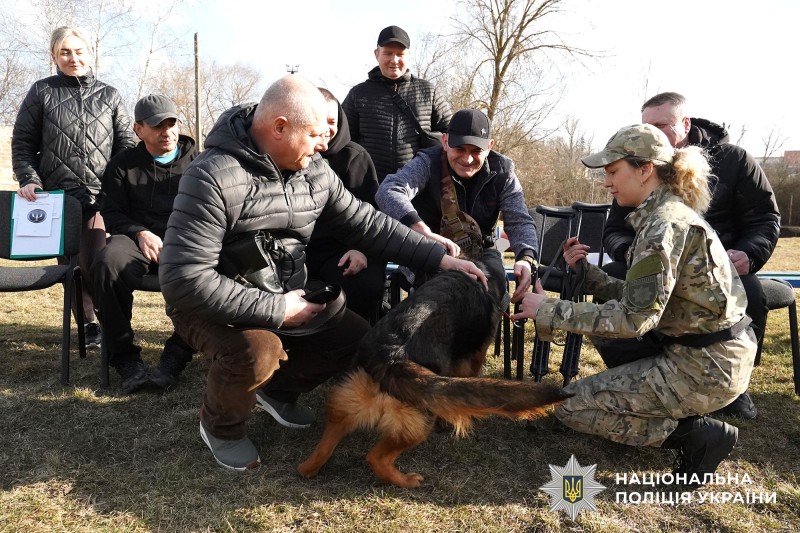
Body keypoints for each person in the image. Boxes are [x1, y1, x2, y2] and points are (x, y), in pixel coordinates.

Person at [158, 75, 487, 472]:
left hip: (284, 290)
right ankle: (220, 427)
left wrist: (438, 257)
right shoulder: (212, 177)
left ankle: (278, 392)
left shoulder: (314, 170)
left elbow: (367, 223)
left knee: (355, 338)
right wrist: (276, 308)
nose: (324, 144)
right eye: (315, 133)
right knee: (258, 349)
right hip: (210, 305)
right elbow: (183, 278)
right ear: (280, 127)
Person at [511, 124, 757, 483]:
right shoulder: (664, 216)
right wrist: (588, 275)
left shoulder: (662, 227)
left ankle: (697, 435)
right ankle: (680, 413)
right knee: (585, 386)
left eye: (613, 172)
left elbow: (633, 320)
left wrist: (545, 309)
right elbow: (645, 298)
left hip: (703, 368)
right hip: (707, 356)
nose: (606, 183)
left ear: (645, 170)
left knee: (568, 407)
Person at [601, 92, 780, 420]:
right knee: (612, 276)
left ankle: (736, 386)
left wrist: (749, 255)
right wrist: (631, 252)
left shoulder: (735, 160)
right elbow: (614, 229)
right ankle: (641, 369)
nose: (654, 133)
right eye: (647, 126)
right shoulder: (639, 163)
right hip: (654, 265)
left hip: (719, 271)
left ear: (685, 124)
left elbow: (764, 219)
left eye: (662, 125)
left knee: (751, 292)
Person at [12, 26, 135, 349]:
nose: (73, 57)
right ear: (54, 56)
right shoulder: (41, 92)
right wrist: (29, 179)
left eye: (78, 51)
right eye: (65, 52)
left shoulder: (110, 95)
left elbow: (126, 145)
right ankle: (89, 327)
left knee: (98, 262)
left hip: (100, 198)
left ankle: (113, 322)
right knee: (71, 268)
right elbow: (23, 142)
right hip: (57, 200)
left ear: (89, 53)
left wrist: (121, 187)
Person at [91, 95, 197, 394]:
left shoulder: (200, 162)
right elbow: (111, 212)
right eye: (157, 125)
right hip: (137, 240)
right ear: (139, 130)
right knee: (107, 263)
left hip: (188, 240)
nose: (167, 131)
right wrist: (139, 232)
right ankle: (125, 358)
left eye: (171, 123)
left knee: (219, 265)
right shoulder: (121, 165)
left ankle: (176, 356)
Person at [376, 108, 538, 301]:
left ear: (489, 146)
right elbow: (389, 190)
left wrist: (526, 258)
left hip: (483, 250)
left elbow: (519, 221)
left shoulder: (504, 171)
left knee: (493, 289)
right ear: (445, 142)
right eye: (459, 149)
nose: (467, 159)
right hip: (432, 248)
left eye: (476, 151)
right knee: (439, 293)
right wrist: (422, 231)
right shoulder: (427, 162)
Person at [304, 88, 386, 323]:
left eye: (332, 121)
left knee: (365, 282)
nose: (327, 129)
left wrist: (362, 250)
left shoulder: (355, 157)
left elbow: (372, 216)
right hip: (299, 250)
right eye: (320, 121)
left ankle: (356, 343)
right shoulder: (291, 155)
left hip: (342, 249)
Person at [342, 25, 452, 181]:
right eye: (388, 53)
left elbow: (451, 134)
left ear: (408, 55)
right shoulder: (358, 95)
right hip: (369, 187)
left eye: (400, 54)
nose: (394, 60)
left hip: (417, 188)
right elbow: (344, 141)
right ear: (376, 54)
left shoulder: (428, 91)